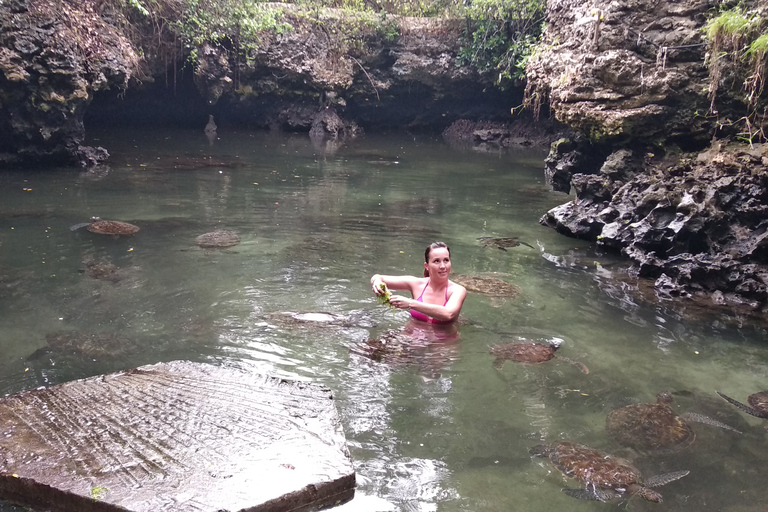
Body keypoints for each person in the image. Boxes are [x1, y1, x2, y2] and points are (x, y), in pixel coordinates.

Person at [370, 242, 467, 325]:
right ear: (427, 266)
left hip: (443, 341)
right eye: (436, 261)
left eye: (446, 260)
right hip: (412, 337)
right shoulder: (416, 284)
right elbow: (378, 277)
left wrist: (410, 303)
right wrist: (377, 282)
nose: (442, 266)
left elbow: (448, 314)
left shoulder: (458, 290)